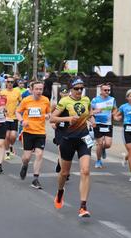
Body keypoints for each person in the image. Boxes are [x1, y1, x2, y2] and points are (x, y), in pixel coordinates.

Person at [51, 78, 95, 218]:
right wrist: (67, 119)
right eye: (77, 88)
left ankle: (83, 206)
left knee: (86, 170)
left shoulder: (86, 100)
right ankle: (59, 192)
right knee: (64, 173)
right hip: (68, 140)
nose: (79, 91)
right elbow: (52, 118)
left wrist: (92, 121)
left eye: (82, 88)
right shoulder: (64, 101)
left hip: (83, 139)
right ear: (71, 89)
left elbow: (88, 113)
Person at [16, 81, 51, 189]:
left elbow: (49, 113)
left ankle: (35, 179)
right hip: (28, 132)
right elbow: (17, 112)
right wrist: (22, 121)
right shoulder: (26, 100)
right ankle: (25, 165)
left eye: (41, 89)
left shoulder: (46, 100)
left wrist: (48, 116)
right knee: (27, 157)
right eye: (36, 89)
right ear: (32, 89)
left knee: (39, 154)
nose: (39, 91)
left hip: (40, 132)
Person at [91, 83, 117, 168]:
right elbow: (89, 112)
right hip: (98, 124)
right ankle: (98, 161)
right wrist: (95, 112)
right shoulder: (95, 100)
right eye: (105, 90)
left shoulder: (112, 99)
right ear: (101, 91)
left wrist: (114, 114)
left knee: (108, 144)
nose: (107, 92)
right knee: (99, 143)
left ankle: (103, 148)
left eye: (108, 90)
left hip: (108, 124)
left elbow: (115, 109)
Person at [1, 76, 22, 160]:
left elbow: (21, 102)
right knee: (6, 135)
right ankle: (7, 152)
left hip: (14, 117)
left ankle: (11, 146)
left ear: (13, 83)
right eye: (8, 82)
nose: (10, 83)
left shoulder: (17, 92)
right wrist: (2, 109)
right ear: (6, 83)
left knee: (13, 136)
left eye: (11, 82)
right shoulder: (2, 92)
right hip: (5, 117)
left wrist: (18, 109)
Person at [51, 85, 69, 176]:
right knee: (61, 149)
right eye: (63, 92)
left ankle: (60, 163)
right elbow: (52, 116)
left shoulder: (71, 104)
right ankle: (65, 171)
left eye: (66, 92)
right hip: (59, 129)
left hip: (68, 129)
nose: (65, 94)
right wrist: (53, 124)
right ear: (60, 93)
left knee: (67, 150)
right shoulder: (56, 104)